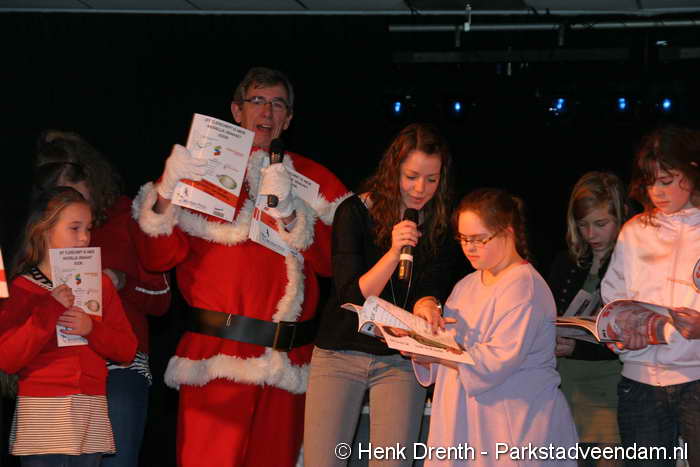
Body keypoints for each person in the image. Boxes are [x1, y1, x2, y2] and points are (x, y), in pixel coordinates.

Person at [130, 66, 349, 466]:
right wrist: (166, 192)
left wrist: (291, 214)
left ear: (289, 118)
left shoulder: (313, 179)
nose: (267, 112)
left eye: (278, 104)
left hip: (288, 365)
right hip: (217, 360)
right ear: (236, 110)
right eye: (257, 101)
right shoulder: (199, 171)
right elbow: (155, 257)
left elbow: (338, 263)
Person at [304, 123, 457, 467]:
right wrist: (394, 251)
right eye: (411, 176)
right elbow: (351, 296)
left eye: (431, 180)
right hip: (340, 353)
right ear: (393, 170)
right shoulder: (354, 212)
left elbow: (431, 286)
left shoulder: (440, 223)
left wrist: (428, 305)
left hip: (399, 359)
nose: (420, 189)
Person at [410, 188, 578, 467]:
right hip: (464, 424)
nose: (469, 247)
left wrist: (439, 352)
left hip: (513, 425)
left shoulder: (524, 286)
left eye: (478, 239)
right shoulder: (465, 285)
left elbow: (493, 363)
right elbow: (448, 351)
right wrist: (420, 343)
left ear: (507, 233)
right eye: (463, 238)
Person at [34, 132, 172, 467]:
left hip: (119, 366)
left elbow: (162, 300)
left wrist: (121, 282)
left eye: (74, 193)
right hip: (56, 367)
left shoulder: (128, 217)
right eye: (57, 196)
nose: (68, 204)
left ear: (92, 182)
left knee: (115, 457)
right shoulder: (39, 228)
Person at [0, 186, 137, 466]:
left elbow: (127, 350)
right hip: (43, 412)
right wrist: (49, 309)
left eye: (88, 228)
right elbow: (8, 357)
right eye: (74, 228)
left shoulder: (100, 285)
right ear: (43, 230)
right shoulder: (24, 288)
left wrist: (92, 329)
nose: (85, 237)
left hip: (90, 409)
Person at [601, 126, 700, 466]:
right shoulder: (634, 231)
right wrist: (620, 331)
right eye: (650, 182)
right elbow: (614, 299)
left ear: (692, 171)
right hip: (640, 382)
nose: (657, 191)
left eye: (667, 180)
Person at [549, 172, 629, 467]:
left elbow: (627, 337)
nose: (591, 234)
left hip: (608, 389)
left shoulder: (631, 264)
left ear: (620, 218)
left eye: (600, 224)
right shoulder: (565, 262)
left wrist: (577, 347)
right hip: (565, 387)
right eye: (583, 225)